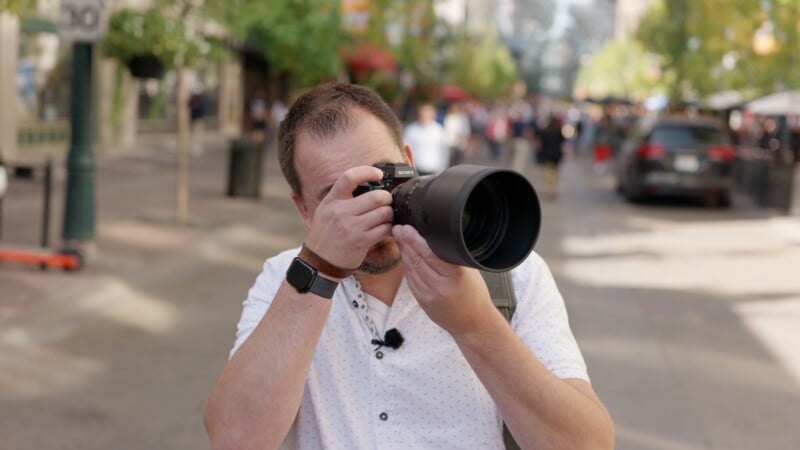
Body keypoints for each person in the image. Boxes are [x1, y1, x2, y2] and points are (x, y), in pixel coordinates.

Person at [203, 83, 615, 450]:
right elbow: (235, 439)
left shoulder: (510, 273)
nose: (372, 209)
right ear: (305, 211)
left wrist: (475, 325)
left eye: (382, 179)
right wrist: (318, 271)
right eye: (340, 197)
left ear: (410, 161)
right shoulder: (285, 279)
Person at [402, 103, 449, 175]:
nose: (424, 116)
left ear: (432, 115)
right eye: (422, 114)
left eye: (427, 114)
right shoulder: (411, 129)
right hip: (415, 170)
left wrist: (442, 169)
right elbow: (406, 149)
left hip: (434, 170)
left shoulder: (438, 130)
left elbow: (444, 151)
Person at [536, 115, 567, 199]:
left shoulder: (545, 131)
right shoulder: (558, 130)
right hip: (556, 155)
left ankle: (547, 190)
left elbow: (540, 143)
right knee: (554, 173)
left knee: (547, 173)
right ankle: (552, 190)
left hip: (547, 154)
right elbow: (562, 142)